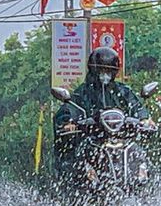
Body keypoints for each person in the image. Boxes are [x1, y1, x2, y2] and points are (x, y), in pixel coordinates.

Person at [52, 47, 152, 186]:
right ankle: (79, 188)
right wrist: (69, 122)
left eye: (109, 71)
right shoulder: (83, 93)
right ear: (94, 71)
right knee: (79, 157)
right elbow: (68, 109)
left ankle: (146, 186)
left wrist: (145, 118)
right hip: (93, 140)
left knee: (139, 153)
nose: (105, 75)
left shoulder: (122, 91)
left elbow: (136, 106)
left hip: (121, 139)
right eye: (102, 71)